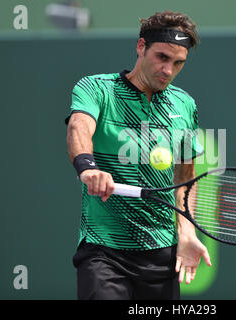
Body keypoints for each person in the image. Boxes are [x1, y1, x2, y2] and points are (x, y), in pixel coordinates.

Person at [65, 11, 211, 300]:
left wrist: (187, 232)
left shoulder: (184, 104)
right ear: (141, 47)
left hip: (161, 255)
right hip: (104, 252)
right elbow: (78, 126)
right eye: (162, 57)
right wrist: (88, 167)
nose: (168, 70)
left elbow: (185, 178)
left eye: (178, 63)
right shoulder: (97, 89)